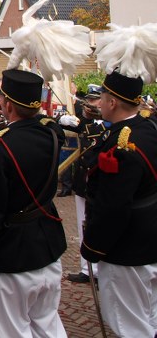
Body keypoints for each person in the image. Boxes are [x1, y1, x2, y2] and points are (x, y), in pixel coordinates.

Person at [0, 69, 67, 338]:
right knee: (48, 324)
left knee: (12, 330)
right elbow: (43, 124)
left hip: (14, 252)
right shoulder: (52, 133)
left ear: (7, 104)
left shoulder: (0, 146)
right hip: (48, 243)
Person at [80, 70, 157, 336]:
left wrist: (92, 246)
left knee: (129, 324)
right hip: (150, 236)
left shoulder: (122, 144)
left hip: (128, 248)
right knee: (151, 316)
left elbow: (113, 207)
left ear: (112, 102)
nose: (98, 103)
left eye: (102, 98)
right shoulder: (148, 127)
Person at [67, 85, 106, 283]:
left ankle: (102, 269)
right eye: (88, 100)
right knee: (83, 225)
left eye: (93, 100)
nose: (89, 103)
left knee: (101, 224)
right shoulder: (83, 122)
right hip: (84, 181)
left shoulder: (108, 125)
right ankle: (87, 269)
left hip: (101, 183)